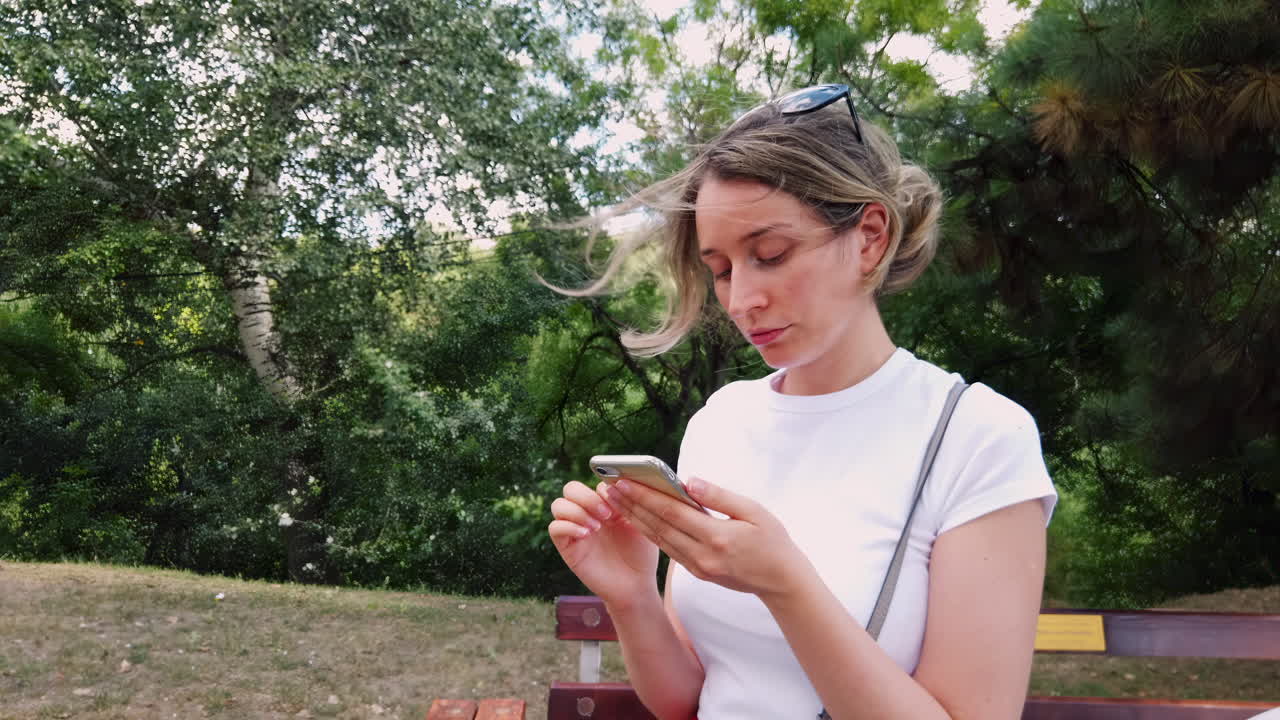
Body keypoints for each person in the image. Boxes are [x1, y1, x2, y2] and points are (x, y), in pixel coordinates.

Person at [547, 84, 1058, 720]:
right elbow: (687, 699)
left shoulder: (978, 437)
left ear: (870, 237)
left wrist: (784, 585)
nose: (740, 302)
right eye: (724, 268)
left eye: (770, 255)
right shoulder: (722, 422)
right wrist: (632, 597)